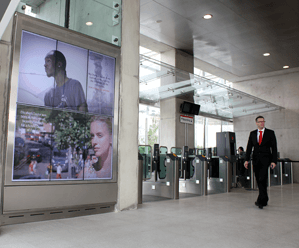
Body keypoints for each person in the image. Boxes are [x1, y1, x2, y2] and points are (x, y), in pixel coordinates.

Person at [244, 116, 277, 209]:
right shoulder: (253, 133)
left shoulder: (270, 133)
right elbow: (249, 147)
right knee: (258, 179)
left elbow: (274, 148)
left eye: (263, 121)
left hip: (266, 160)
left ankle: (260, 201)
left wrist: (274, 161)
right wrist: (246, 160)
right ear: (256, 123)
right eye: (260, 122)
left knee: (262, 178)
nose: (262, 123)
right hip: (255, 160)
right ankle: (265, 198)